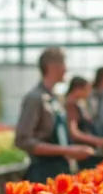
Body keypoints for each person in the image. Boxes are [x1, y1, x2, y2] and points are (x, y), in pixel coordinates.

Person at [14, 47, 97, 183]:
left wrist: (71, 150)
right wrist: (66, 150)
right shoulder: (35, 98)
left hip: (60, 171)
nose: (66, 69)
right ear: (52, 66)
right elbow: (22, 140)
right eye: (64, 64)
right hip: (42, 173)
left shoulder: (55, 98)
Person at [64, 76, 103, 149]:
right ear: (77, 89)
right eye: (87, 89)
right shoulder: (71, 106)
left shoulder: (77, 104)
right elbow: (74, 133)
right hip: (81, 150)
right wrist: (99, 141)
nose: (89, 92)